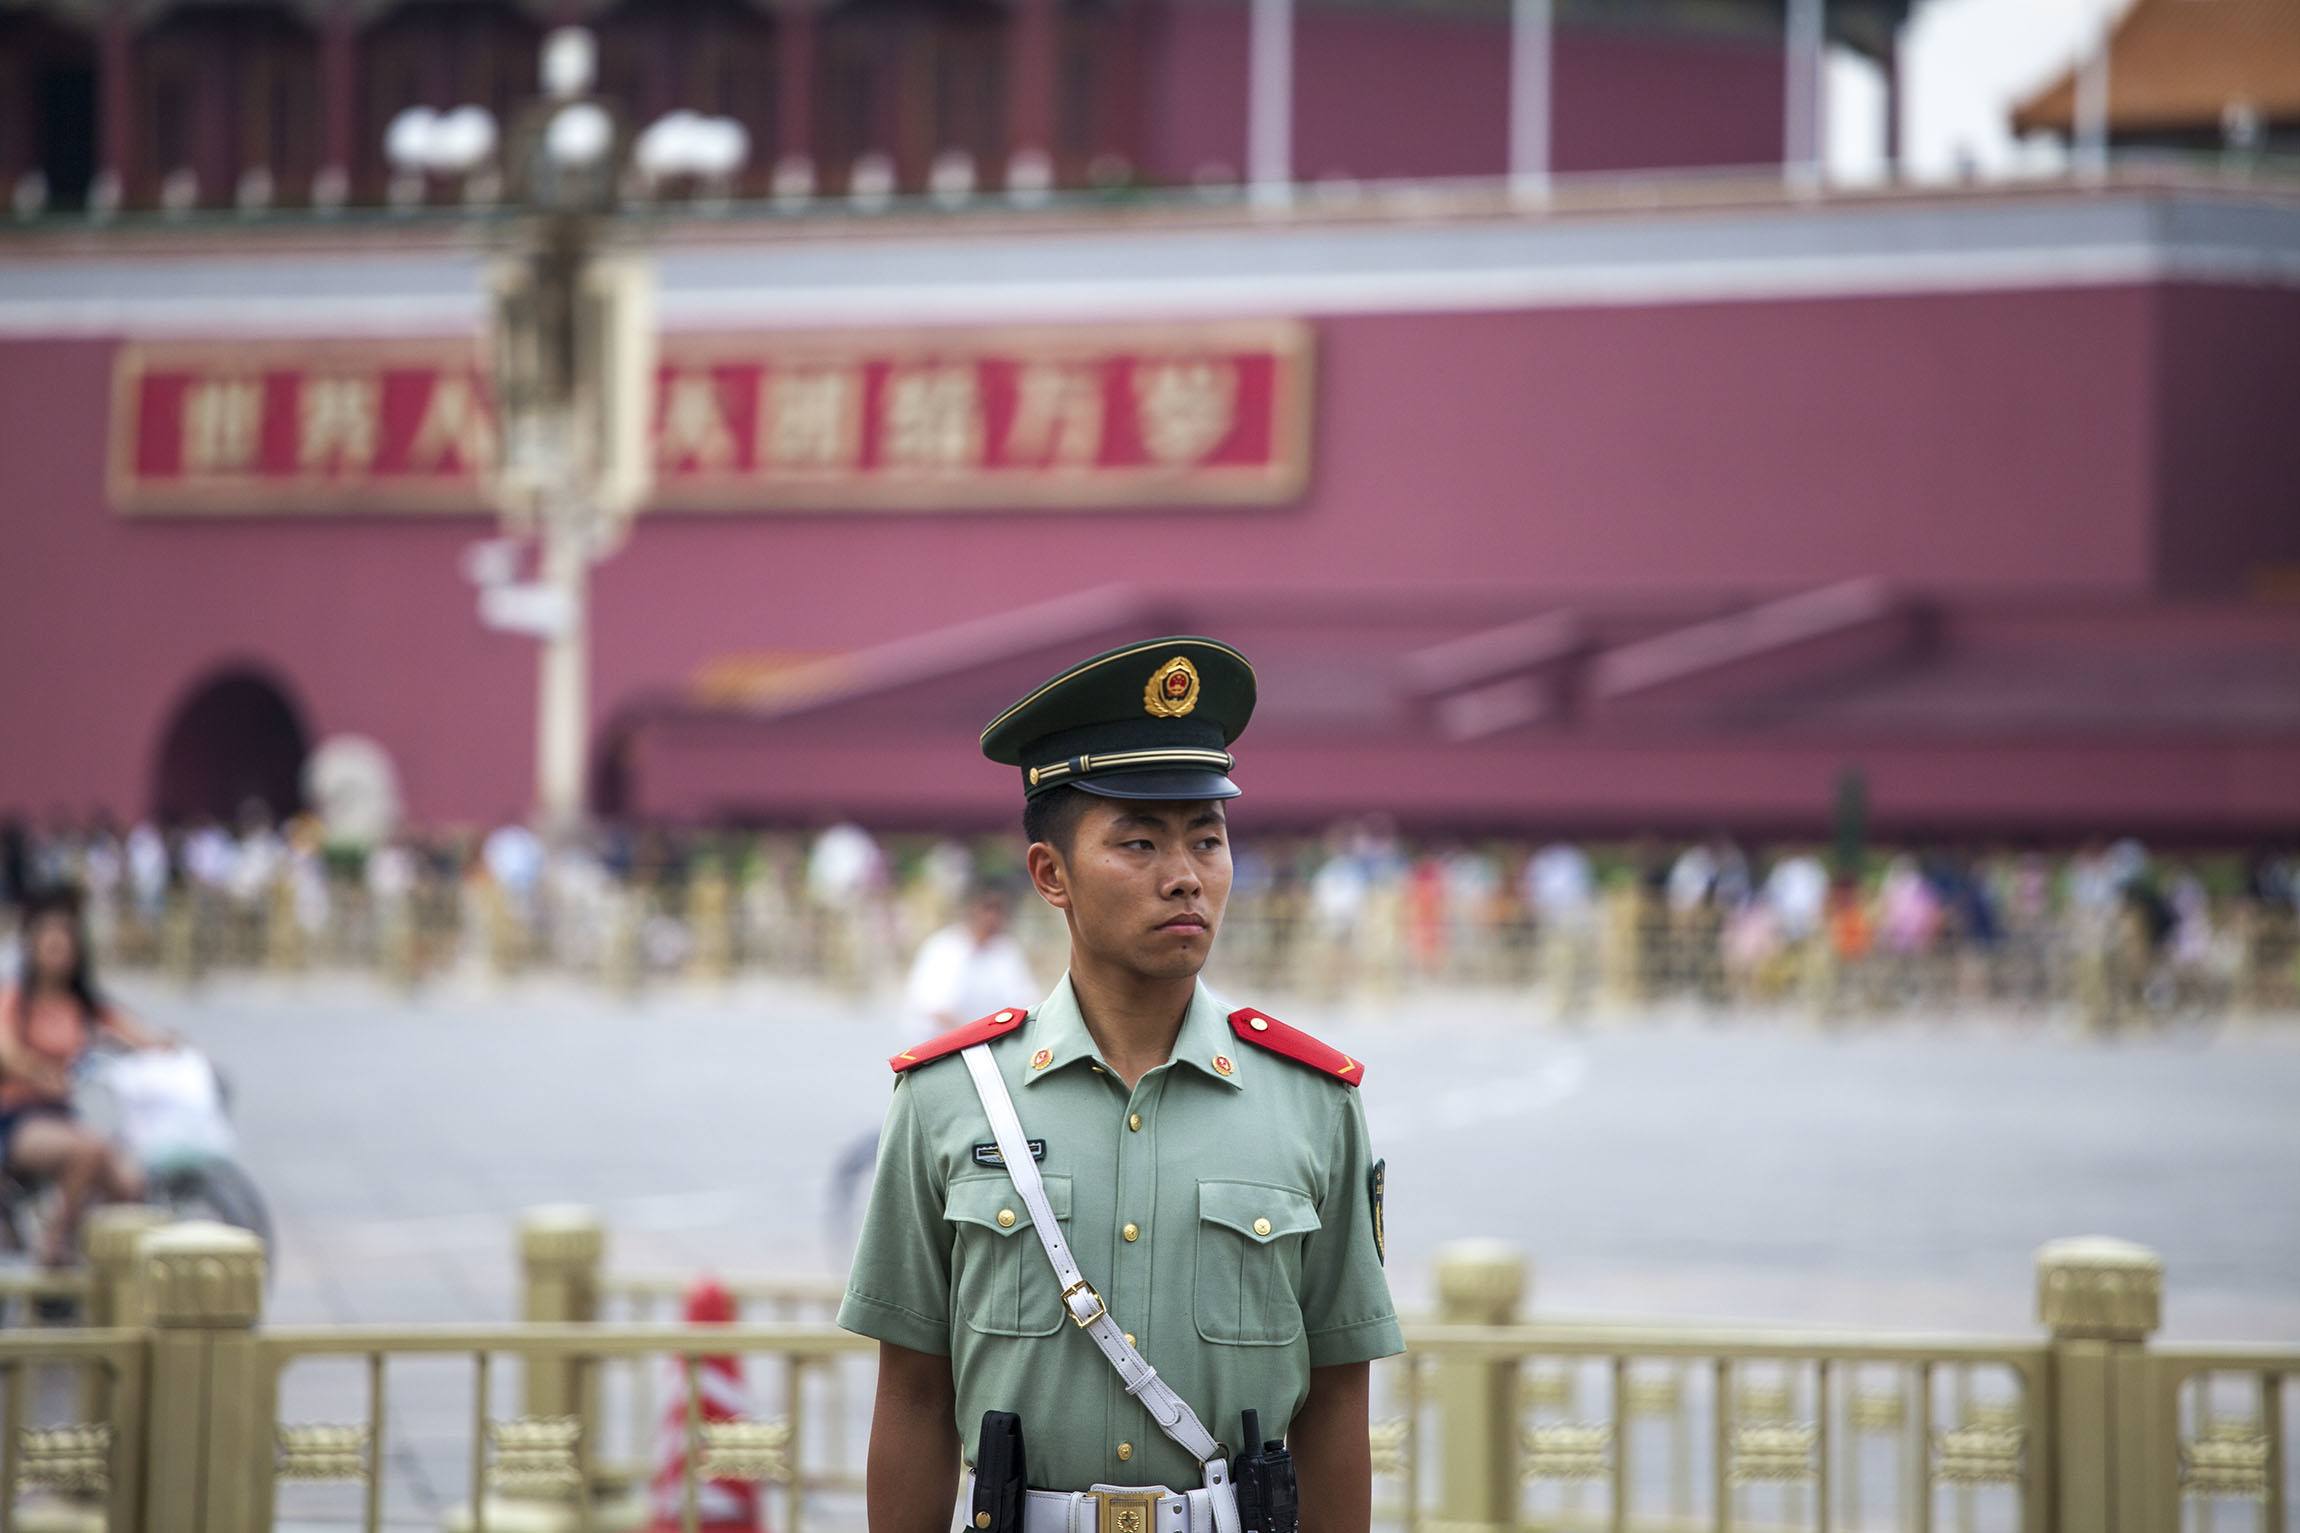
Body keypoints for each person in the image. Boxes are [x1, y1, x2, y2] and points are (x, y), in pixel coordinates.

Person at [839, 637, 1401, 1533]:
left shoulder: (1312, 1102)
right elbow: (910, 1395)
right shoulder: (948, 1098)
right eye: (1138, 842)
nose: (1185, 876)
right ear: (1050, 874)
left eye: (1207, 840)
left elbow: (1336, 1400)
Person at [0, 889, 165, 1265]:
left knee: (129, 1182)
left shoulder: (83, 1004)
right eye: (49, 945)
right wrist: (40, 1074)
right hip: (18, 1116)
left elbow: (130, 1031)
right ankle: (55, 1245)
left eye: (65, 946)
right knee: (89, 1149)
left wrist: (167, 1046)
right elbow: (5, 1050)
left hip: (61, 1116)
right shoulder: (15, 999)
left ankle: (99, 1261)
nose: (58, 953)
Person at [899, 881, 1040, 1044]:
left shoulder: (1006, 951)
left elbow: (1026, 1002)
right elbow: (935, 1009)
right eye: (988, 908)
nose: (993, 917)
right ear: (971, 909)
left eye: (999, 910)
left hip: (991, 1044)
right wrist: (976, 1037)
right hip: (942, 1049)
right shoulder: (943, 948)